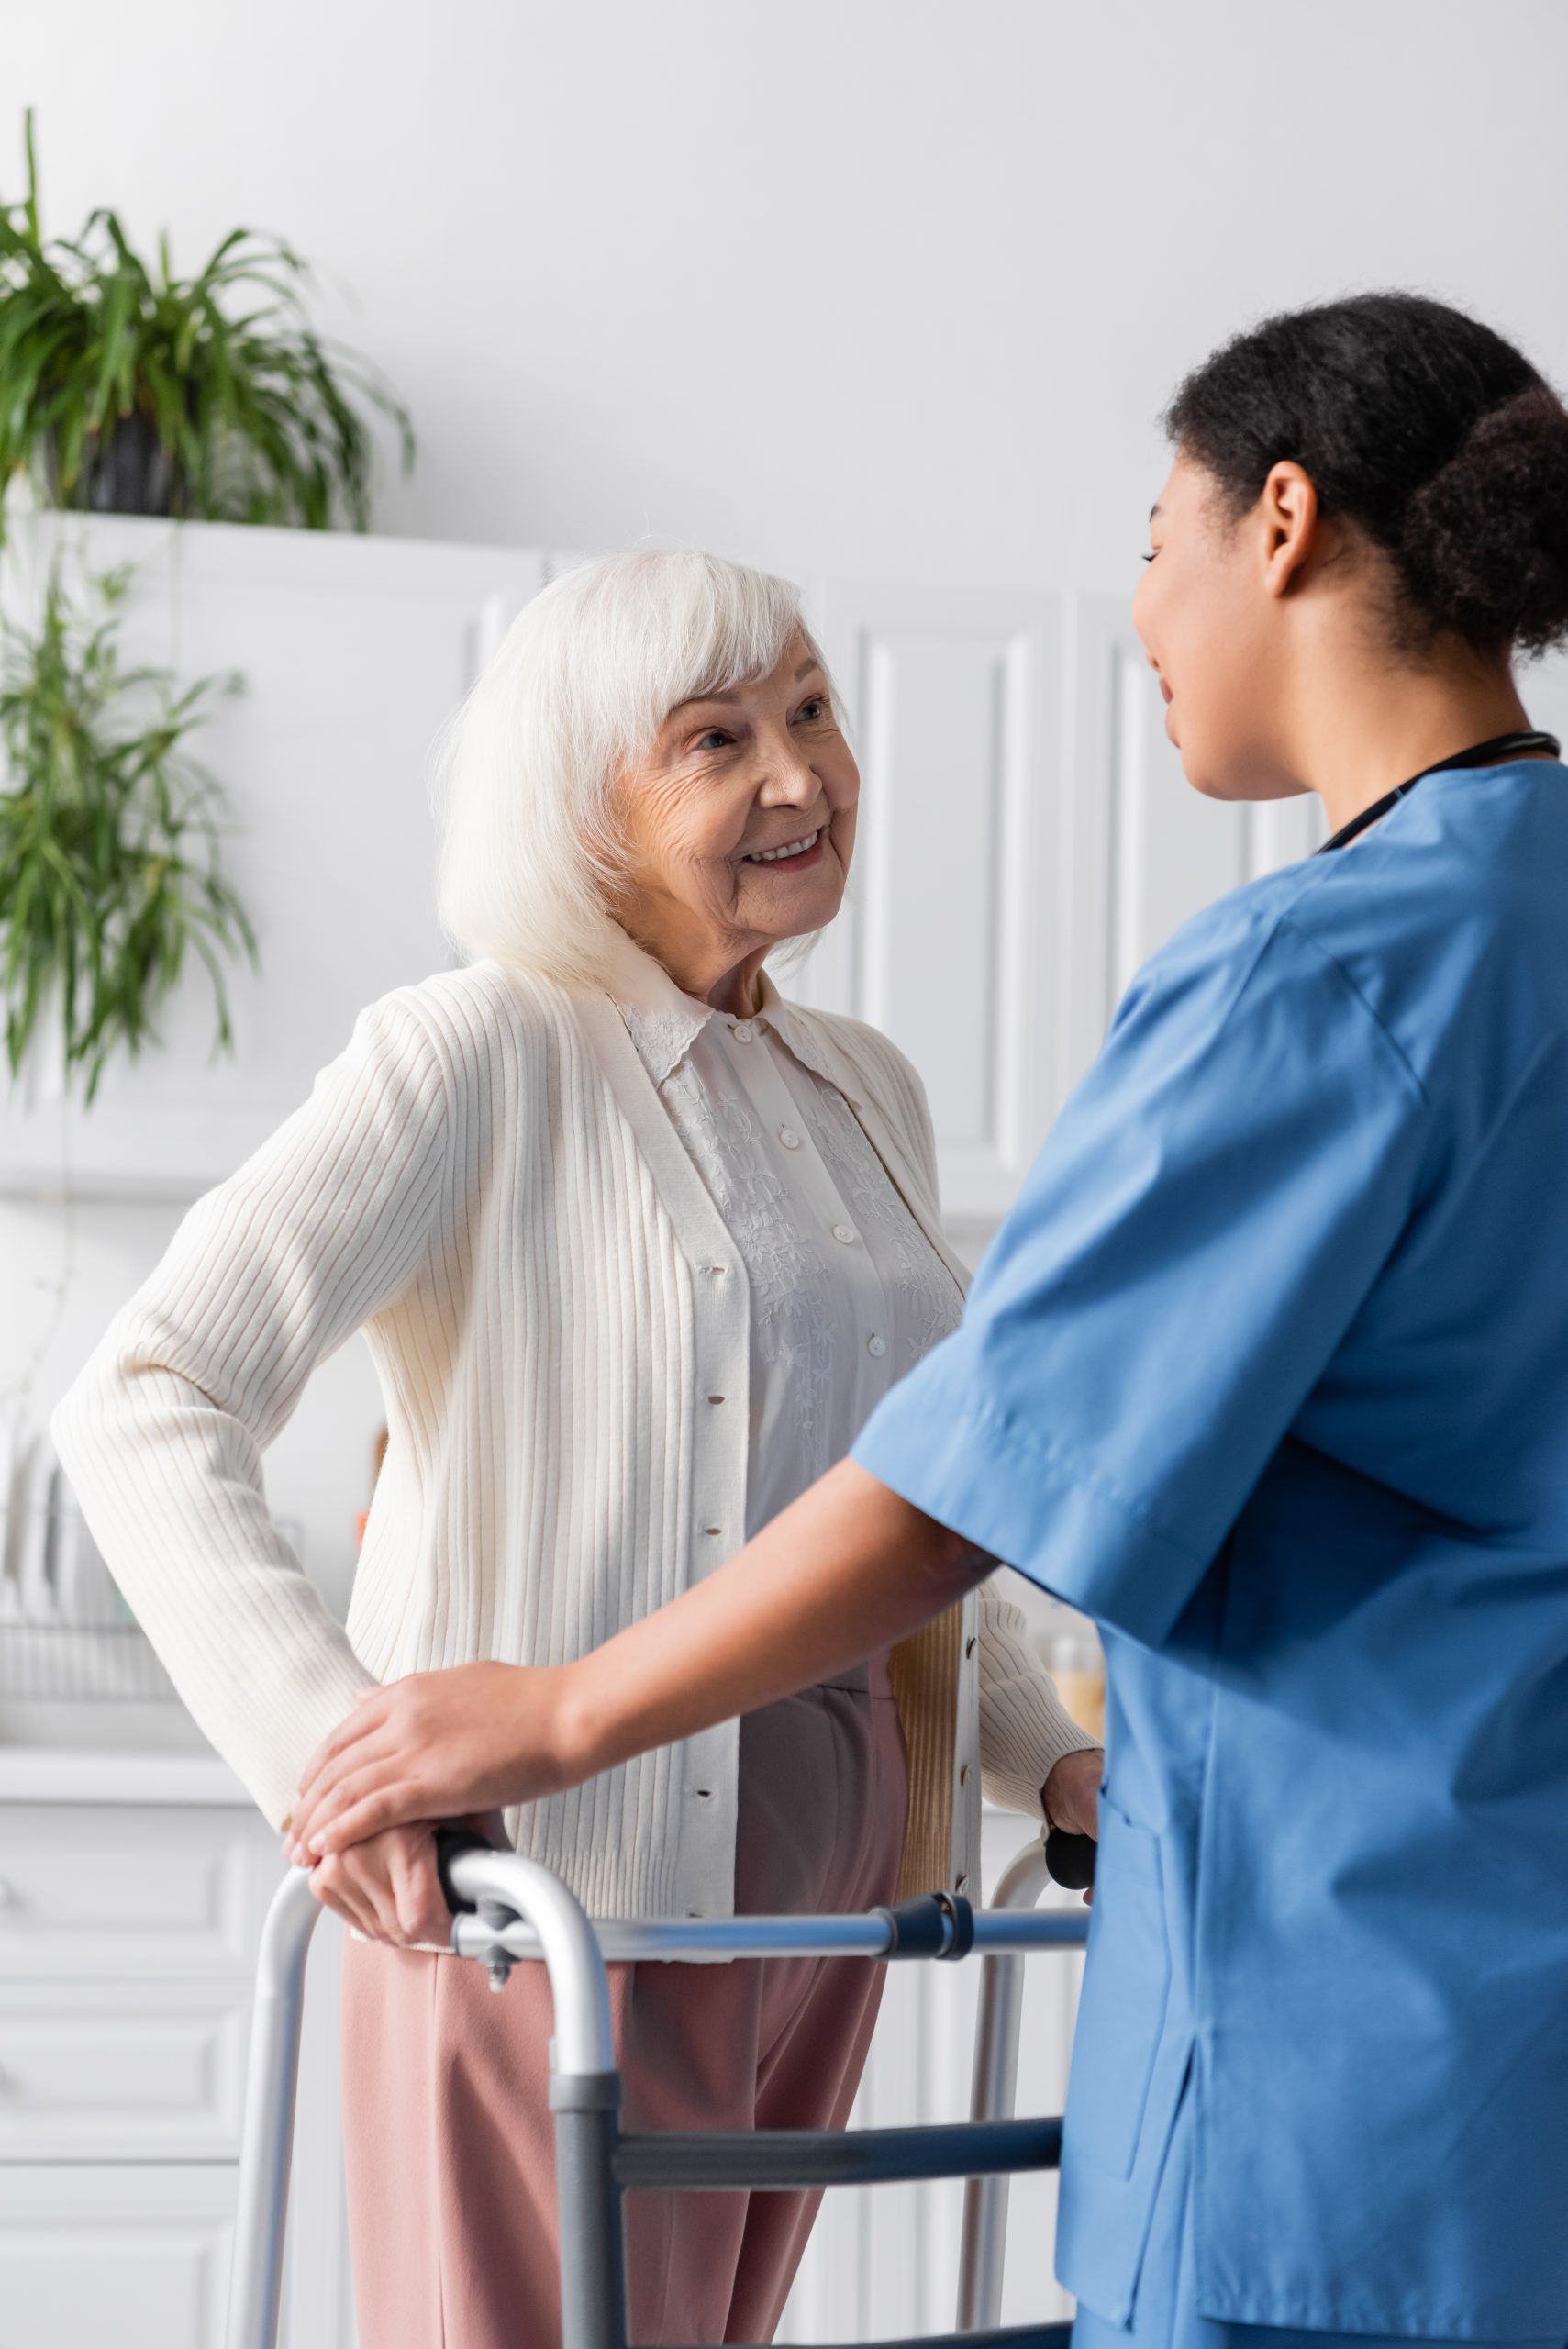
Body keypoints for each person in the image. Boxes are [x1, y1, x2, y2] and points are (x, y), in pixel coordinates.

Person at [290, 295, 1568, 2348]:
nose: (1141, 606)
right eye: (717, 732)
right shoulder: (472, 1052)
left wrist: (559, 1709)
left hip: (1329, 2054)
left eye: (1157, 533)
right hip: (1496, 2043)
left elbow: (967, 1481)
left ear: (1282, 523)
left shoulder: (1309, 982)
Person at [51, 549, 1099, 2349]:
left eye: (810, 709)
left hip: (833, 1905)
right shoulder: (471, 1054)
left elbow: (889, 1510)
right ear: (587, 808)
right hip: (572, 1887)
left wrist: (1050, 1761)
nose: (800, 774)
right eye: (716, 738)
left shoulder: (871, 1088)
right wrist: (333, 1754)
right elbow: (144, 1392)